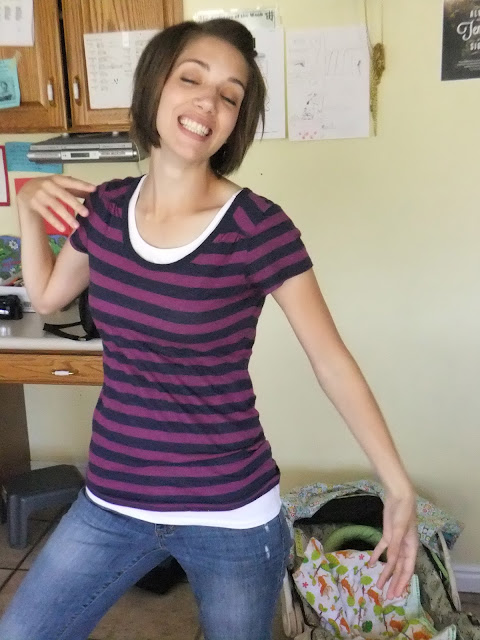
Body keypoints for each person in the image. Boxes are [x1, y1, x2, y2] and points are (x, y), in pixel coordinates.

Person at [0, 19, 418, 640]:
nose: (207, 103)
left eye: (229, 95)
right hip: (111, 499)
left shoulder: (257, 227)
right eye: (191, 79)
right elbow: (48, 294)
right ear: (155, 86)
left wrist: (397, 484)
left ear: (235, 123)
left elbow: (330, 360)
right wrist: (30, 209)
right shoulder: (107, 209)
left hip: (231, 512)